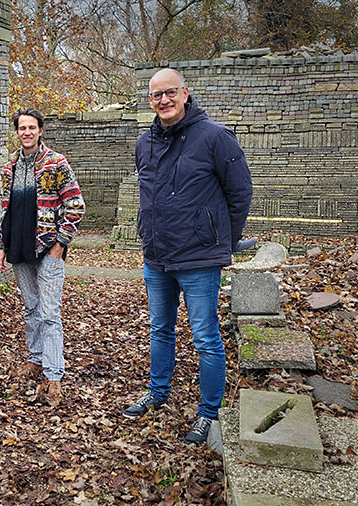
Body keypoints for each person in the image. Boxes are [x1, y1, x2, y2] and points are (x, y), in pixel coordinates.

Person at [123, 68, 253, 444]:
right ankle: (158, 393)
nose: (163, 100)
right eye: (155, 95)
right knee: (160, 329)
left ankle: (209, 414)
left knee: (205, 338)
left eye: (170, 93)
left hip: (199, 259)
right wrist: (145, 229)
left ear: (185, 93)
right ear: (150, 100)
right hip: (157, 256)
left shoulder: (215, 137)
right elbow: (149, 194)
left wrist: (222, 241)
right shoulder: (144, 143)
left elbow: (240, 193)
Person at [0, 108, 85, 408]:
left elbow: (75, 205)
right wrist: (2, 247)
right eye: (22, 128)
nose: (27, 132)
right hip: (19, 251)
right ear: (17, 132)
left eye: (32, 127)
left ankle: (54, 375)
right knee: (30, 309)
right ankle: (35, 361)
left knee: (49, 314)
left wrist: (61, 243)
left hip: (48, 250)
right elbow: (6, 211)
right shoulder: (10, 167)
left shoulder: (56, 163)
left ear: (40, 130)